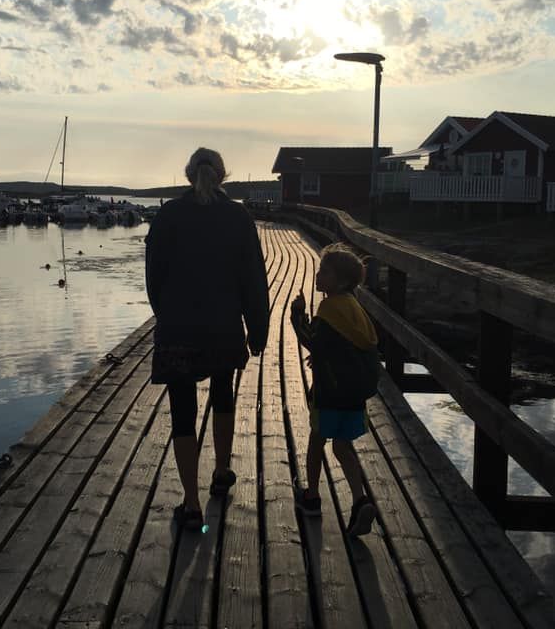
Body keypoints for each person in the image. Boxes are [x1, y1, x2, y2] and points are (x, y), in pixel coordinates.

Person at [145, 147, 270, 531]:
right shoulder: (237, 216)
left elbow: (154, 277)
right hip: (223, 327)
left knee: (183, 412)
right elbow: (253, 277)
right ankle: (221, 470)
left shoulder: (167, 215)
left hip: (178, 328)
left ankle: (192, 502)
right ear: (223, 176)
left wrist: (165, 314)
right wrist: (258, 328)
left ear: (187, 175)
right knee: (223, 394)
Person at [290, 244, 380, 536]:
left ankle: (312, 496)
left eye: (324, 272)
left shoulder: (329, 308)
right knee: (342, 445)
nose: (318, 275)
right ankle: (359, 499)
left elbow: (313, 340)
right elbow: (344, 345)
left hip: (329, 392)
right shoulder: (355, 307)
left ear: (340, 281)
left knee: (317, 439)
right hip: (354, 393)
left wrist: (297, 317)